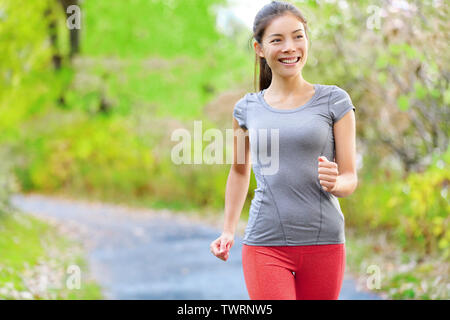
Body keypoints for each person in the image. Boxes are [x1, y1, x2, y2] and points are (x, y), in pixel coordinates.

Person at [210, 1, 357, 300]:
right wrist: (228, 230)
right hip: (265, 244)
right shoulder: (247, 108)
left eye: (298, 36)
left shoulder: (335, 101)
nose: (290, 47)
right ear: (259, 48)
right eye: (277, 40)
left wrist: (335, 183)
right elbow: (239, 172)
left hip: (324, 243)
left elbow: (349, 177)